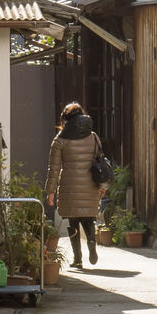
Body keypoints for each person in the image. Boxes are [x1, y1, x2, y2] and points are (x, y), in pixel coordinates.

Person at [45, 101, 104, 268]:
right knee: (89, 218)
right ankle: (91, 243)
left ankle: (77, 258)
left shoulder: (60, 140)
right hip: (90, 184)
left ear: (66, 119)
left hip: (69, 186)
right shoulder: (93, 136)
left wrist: (50, 191)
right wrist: (101, 186)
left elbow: (54, 168)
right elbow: (100, 162)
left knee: (73, 222)